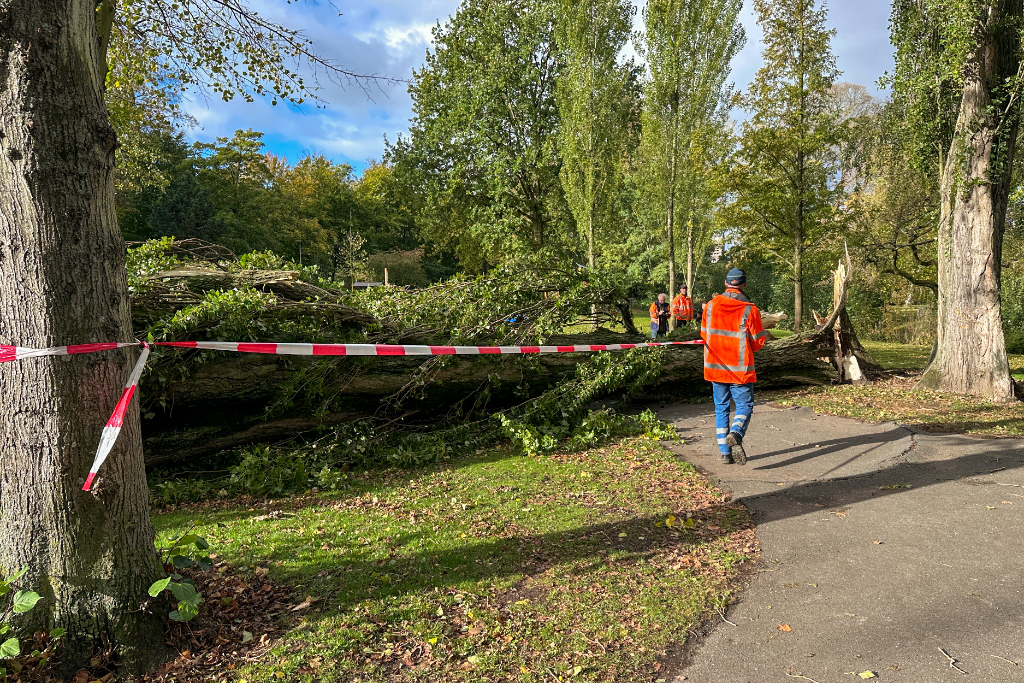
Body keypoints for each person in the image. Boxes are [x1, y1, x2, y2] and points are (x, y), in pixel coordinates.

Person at [700, 268, 772, 465]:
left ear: (725, 283)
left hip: (715, 367)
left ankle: (725, 453)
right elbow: (758, 343)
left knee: (721, 409)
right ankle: (736, 432)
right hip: (740, 370)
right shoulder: (750, 309)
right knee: (744, 406)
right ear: (744, 284)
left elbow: (705, 334)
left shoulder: (710, 306)